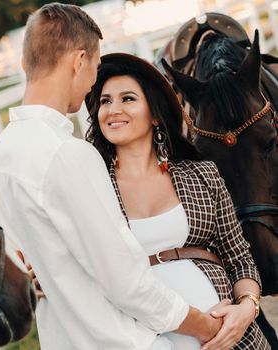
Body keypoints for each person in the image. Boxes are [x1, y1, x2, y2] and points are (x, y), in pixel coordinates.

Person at [0, 3, 224, 349]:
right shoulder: (69, 153)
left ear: (25, 64)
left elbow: (22, 274)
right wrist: (202, 325)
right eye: (95, 67)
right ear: (79, 61)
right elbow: (126, 281)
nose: (92, 83)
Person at [83, 52, 269, 349]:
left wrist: (246, 309)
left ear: (155, 114)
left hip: (231, 339)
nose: (113, 109)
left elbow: (239, 258)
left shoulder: (201, 175)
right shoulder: (92, 189)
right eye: (105, 101)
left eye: (127, 99)